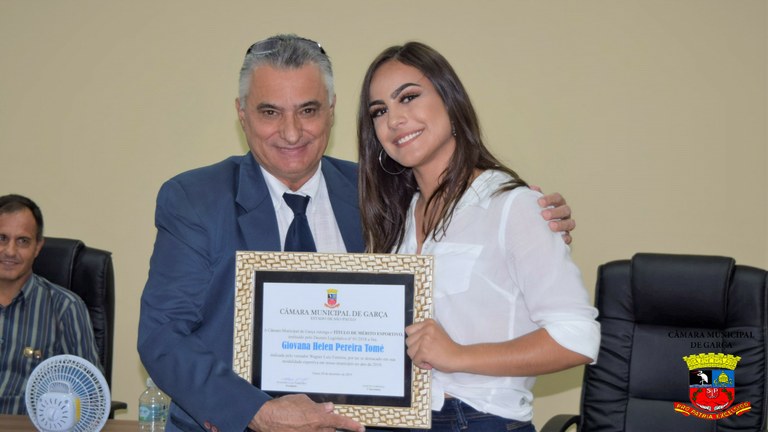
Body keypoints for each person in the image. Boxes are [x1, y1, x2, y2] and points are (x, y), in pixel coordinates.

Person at [138, 34, 576, 432]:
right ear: (241, 113)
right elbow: (162, 334)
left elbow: (468, 214)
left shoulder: (383, 192)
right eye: (270, 112)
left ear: (331, 109)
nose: (291, 132)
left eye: (308, 110)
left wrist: (529, 217)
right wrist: (258, 412)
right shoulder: (195, 199)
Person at [356, 42, 600, 432]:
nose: (395, 119)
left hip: (478, 419)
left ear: (450, 101)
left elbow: (577, 338)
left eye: (409, 97)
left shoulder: (512, 206)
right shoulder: (394, 217)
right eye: (379, 111)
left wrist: (458, 356)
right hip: (398, 419)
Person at [0, 194, 101, 414]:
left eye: (23, 241)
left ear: (38, 247)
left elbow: (90, 397)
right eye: (2, 238)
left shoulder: (66, 308)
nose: (10, 251)